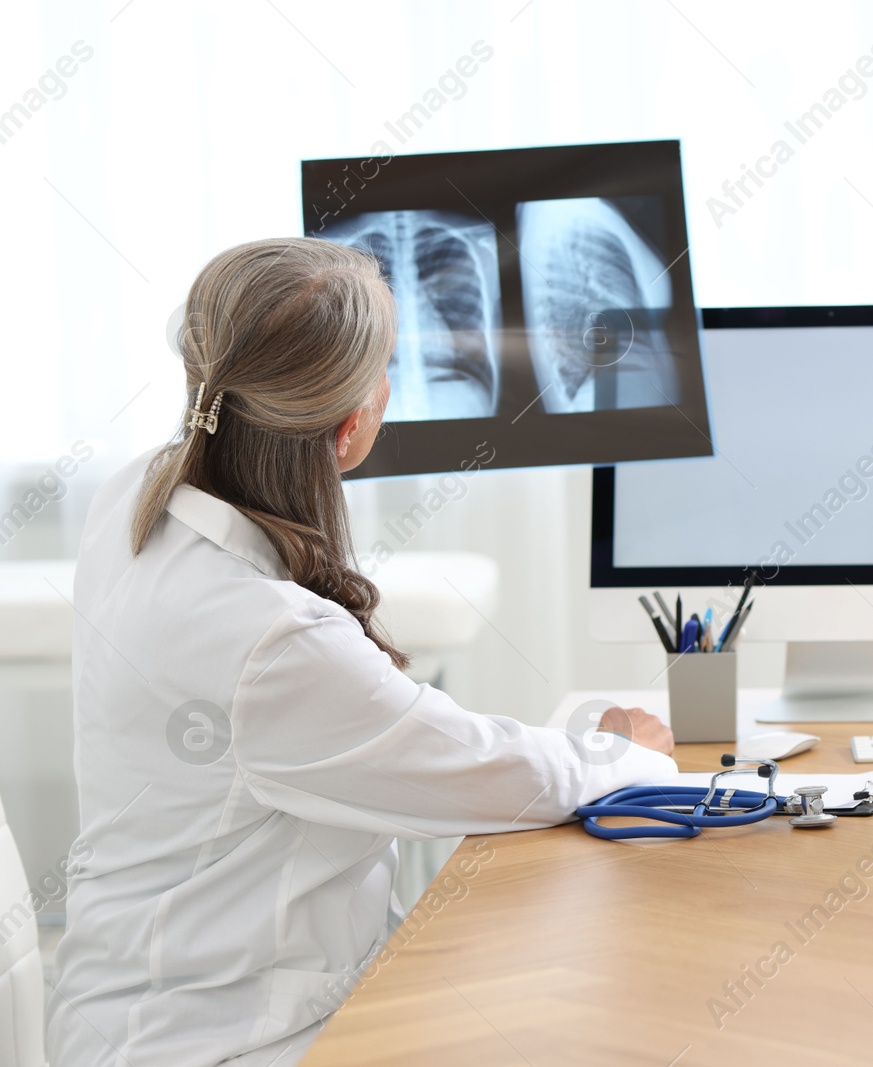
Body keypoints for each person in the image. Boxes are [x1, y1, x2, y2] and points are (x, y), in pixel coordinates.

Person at [46, 237, 677, 1066]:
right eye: (383, 370)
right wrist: (622, 757)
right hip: (213, 1039)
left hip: (132, 997)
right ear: (351, 427)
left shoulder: (141, 492)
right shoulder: (270, 642)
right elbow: (486, 773)